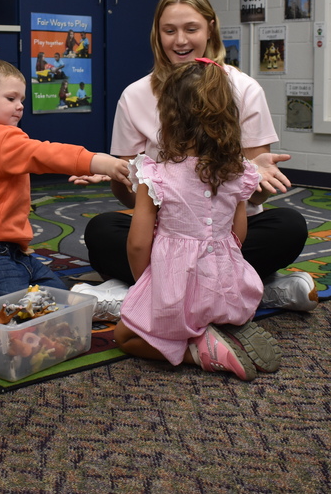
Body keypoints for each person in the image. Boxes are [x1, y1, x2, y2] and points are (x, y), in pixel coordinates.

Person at [75, 0, 316, 315]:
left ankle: (143, 293)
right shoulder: (135, 95)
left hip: (225, 231)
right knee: (101, 232)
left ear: (210, 27)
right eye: (169, 30)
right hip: (166, 230)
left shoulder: (244, 89)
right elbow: (131, 198)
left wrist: (257, 174)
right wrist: (122, 177)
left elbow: (251, 201)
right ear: (157, 33)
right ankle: (252, 289)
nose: (180, 41)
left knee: (289, 227)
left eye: (191, 29)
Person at [114, 60, 282, 380]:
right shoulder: (238, 172)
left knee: (124, 337)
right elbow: (239, 234)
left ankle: (197, 350)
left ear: (168, 116)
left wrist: (146, 286)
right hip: (229, 287)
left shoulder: (155, 174)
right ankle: (221, 326)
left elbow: (137, 243)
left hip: (174, 289)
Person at [0, 59, 130, 309]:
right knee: (23, 313)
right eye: (11, 99)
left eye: (22, 100)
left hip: (6, 252)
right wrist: (100, 162)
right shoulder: (1, 137)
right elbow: (46, 154)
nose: (19, 107)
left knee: (57, 301)